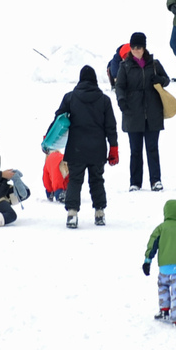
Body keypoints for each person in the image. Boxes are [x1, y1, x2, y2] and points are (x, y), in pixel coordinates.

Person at [53, 65, 119, 228]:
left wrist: (49, 137)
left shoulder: (70, 98)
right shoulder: (104, 100)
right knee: (97, 180)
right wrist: (114, 147)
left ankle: (72, 214)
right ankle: (99, 213)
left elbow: (58, 119)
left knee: (75, 180)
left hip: (76, 148)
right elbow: (111, 126)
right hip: (97, 148)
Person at [115, 32, 171, 191]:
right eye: (133, 47)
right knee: (135, 151)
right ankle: (135, 182)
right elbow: (119, 86)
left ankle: (155, 181)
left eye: (138, 47)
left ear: (144, 47)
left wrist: (159, 80)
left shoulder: (154, 64)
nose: (135, 50)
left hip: (152, 112)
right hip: (133, 113)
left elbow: (166, 79)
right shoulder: (124, 66)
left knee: (152, 148)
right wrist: (121, 101)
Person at [142, 198, 176, 329]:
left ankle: (164, 310)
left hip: (164, 268)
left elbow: (152, 245)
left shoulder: (161, 229)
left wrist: (147, 261)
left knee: (163, 287)